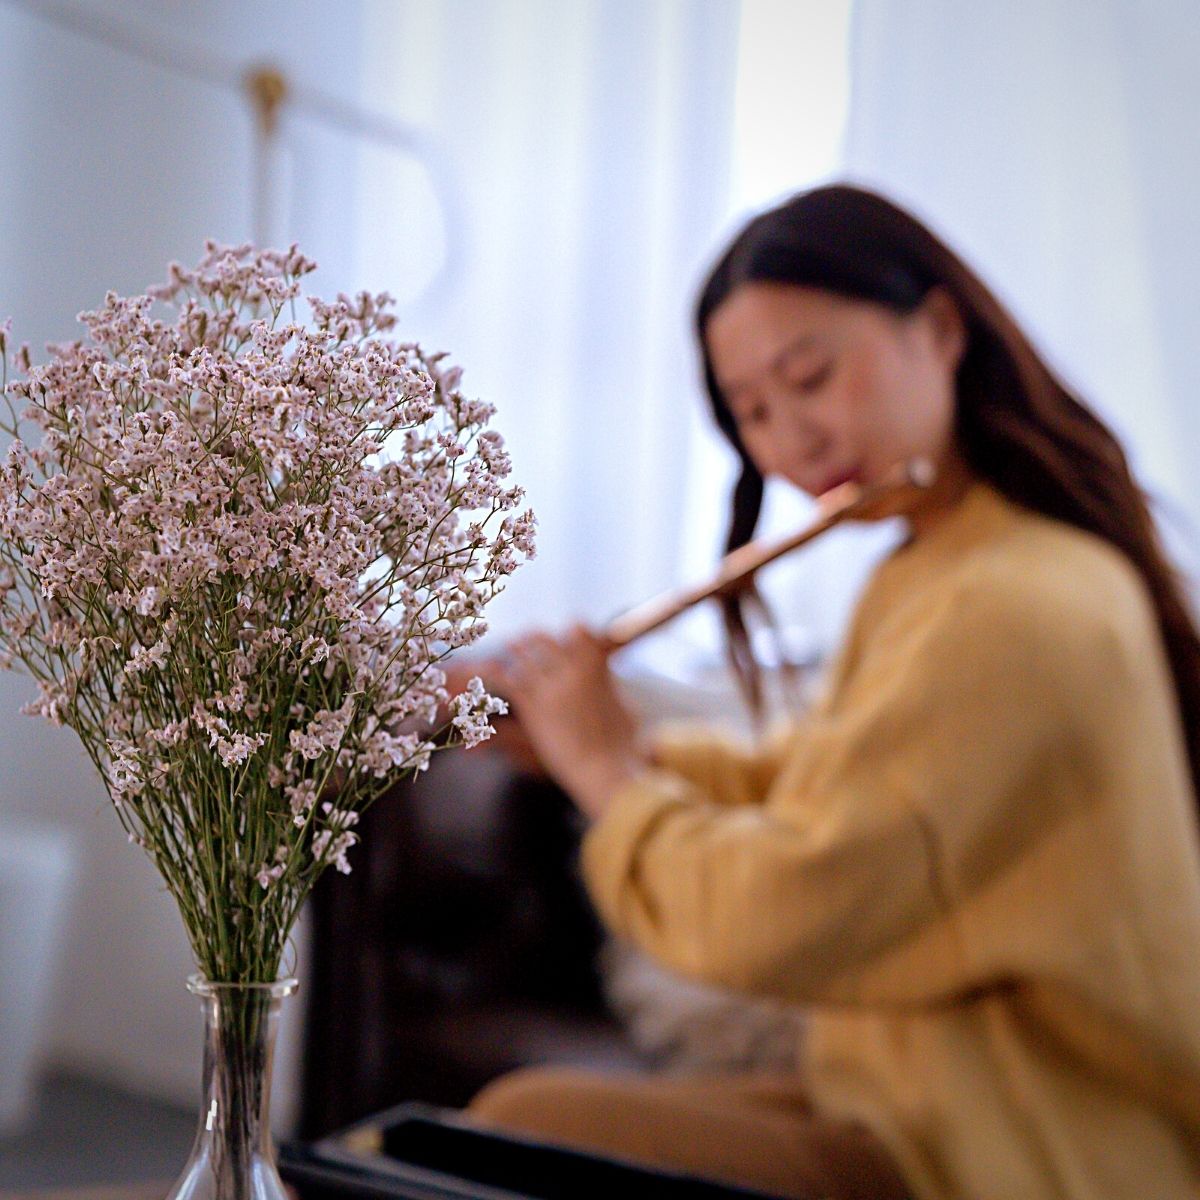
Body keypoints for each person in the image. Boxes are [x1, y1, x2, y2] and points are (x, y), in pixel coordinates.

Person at [462, 184, 1200, 1200]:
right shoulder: (938, 568)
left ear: (940, 329)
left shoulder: (1018, 605)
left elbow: (784, 908)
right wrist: (584, 738)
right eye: (754, 412)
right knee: (504, 1128)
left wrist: (604, 770)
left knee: (519, 1128)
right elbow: (826, 779)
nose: (791, 441)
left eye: (808, 376)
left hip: (1027, 1152)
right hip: (913, 1104)